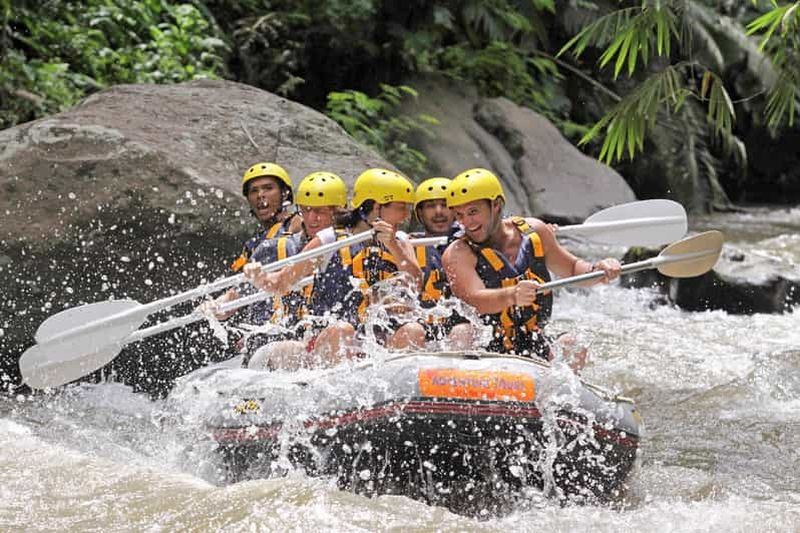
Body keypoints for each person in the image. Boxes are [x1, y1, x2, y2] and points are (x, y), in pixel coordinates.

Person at [245, 168, 425, 369]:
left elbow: (416, 284)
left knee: (413, 330)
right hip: (328, 338)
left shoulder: (400, 240)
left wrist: (393, 245)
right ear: (375, 207)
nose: (406, 215)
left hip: (375, 340)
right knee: (342, 331)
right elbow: (281, 283)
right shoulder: (329, 240)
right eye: (400, 207)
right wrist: (260, 277)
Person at [441, 168, 621, 367]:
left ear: (496, 205)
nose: (467, 222)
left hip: (532, 341)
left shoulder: (534, 232)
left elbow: (572, 268)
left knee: (574, 345)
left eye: (473, 212)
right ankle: (458, 386)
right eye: (459, 215)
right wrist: (512, 295)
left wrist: (599, 270)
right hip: (485, 345)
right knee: (462, 333)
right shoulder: (457, 253)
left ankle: (555, 394)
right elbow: (474, 300)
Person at [411, 177, 472, 348]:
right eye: (431, 206)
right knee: (412, 331)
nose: (439, 212)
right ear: (420, 213)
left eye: (444, 205)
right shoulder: (406, 245)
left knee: (463, 331)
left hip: (458, 325)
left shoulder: (473, 243)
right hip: (420, 325)